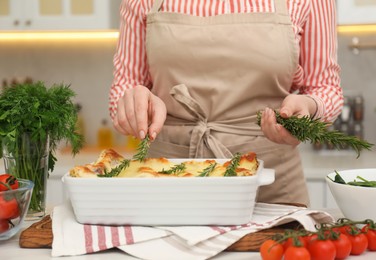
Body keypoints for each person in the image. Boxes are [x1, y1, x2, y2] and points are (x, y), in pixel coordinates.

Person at [109, 0, 343, 206]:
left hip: (269, 188)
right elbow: (125, 86)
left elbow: (325, 87)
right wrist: (137, 103)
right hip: (165, 181)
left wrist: (309, 108)